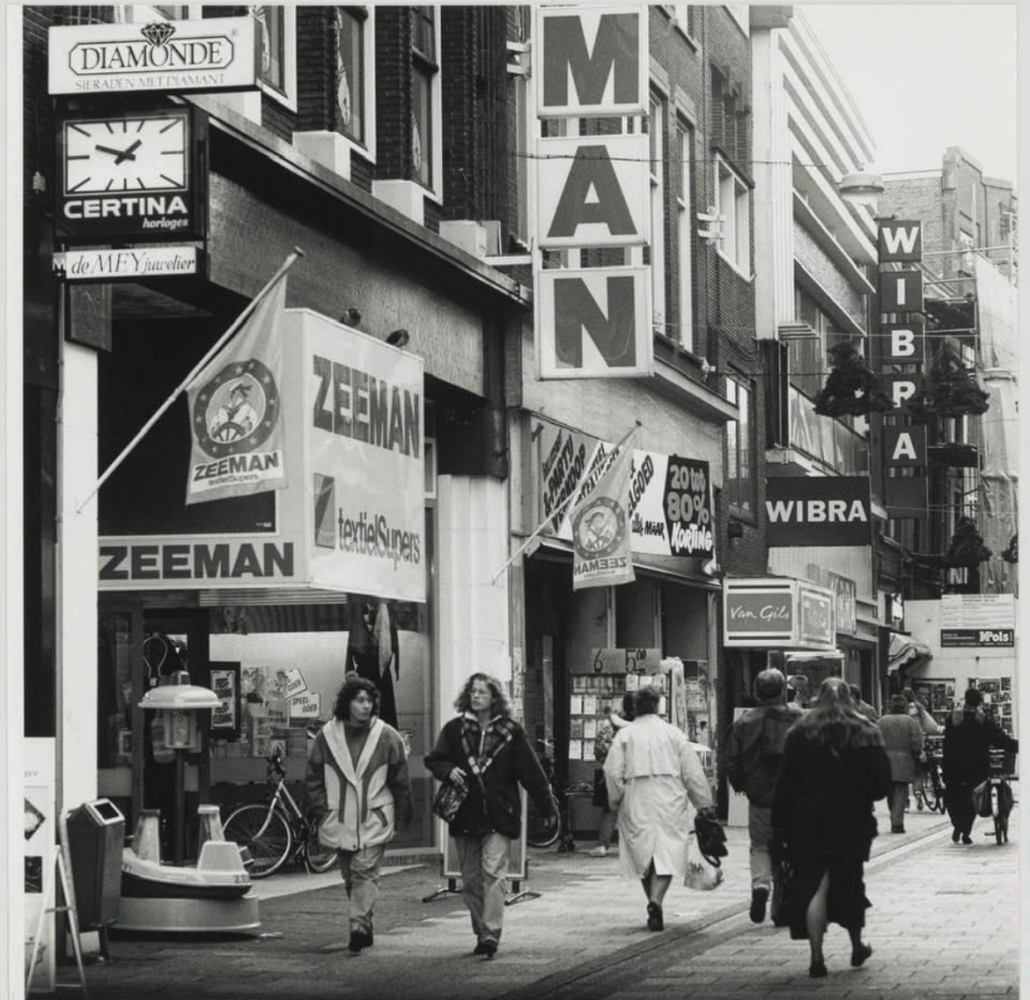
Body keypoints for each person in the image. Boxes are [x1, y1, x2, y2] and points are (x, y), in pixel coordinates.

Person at [424, 673, 556, 958]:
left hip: (500, 815)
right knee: (470, 880)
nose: (476, 696)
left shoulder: (511, 732)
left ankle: (491, 934)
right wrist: (447, 770)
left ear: (494, 697)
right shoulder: (454, 729)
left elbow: (532, 774)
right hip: (464, 815)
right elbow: (433, 759)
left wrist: (548, 809)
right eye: (472, 691)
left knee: (493, 874)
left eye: (482, 692)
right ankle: (481, 929)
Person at [771, 677, 890, 979]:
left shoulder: (799, 732)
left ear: (817, 698)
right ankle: (856, 946)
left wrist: (780, 824)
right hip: (852, 822)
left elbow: (785, 784)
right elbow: (880, 785)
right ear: (850, 698)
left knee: (815, 885)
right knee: (851, 883)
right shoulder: (866, 730)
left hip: (808, 821)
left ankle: (816, 958)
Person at [305, 673, 413, 954]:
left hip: (374, 817)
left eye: (370, 700)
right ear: (347, 703)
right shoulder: (327, 736)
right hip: (338, 818)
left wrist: (403, 814)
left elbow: (401, 779)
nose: (366, 705)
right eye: (360, 700)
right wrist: (319, 809)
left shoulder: (387, 736)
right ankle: (364, 919)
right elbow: (314, 775)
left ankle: (358, 926)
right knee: (350, 876)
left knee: (363, 870)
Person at [603, 684, 714, 933]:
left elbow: (611, 771)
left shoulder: (626, 735)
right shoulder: (673, 734)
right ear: (658, 705)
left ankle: (652, 901)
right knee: (668, 851)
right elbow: (692, 772)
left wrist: (615, 799)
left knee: (641, 852)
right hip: (669, 797)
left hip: (636, 797)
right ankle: (656, 900)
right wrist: (703, 803)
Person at [725, 668, 802, 925]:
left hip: (760, 798)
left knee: (760, 846)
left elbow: (732, 762)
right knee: (790, 849)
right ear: (783, 691)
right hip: (793, 799)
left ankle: (761, 886)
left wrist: (743, 786)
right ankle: (783, 905)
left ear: (756, 692)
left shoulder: (744, 723)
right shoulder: (797, 718)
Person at [942, 686, 1019, 844]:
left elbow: (946, 742)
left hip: (953, 767)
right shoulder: (983, 721)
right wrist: (1016, 746)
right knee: (973, 797)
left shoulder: (952, 719)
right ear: (979, 702)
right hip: (976, 767)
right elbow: (1000, 739)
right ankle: (965, 830)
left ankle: (958, 825)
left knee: (954, 796)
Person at [588, 693, 635, 857]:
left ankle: (603, 845)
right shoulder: (644, 728)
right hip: (637, 775)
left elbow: (599, 750)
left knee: (610, 810)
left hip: (614, 772)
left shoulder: (611, 725)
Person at [878, 694, 924, 833]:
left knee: (890, 792)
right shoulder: (910, 722)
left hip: (885, 761)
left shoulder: (881, 721)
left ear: (890, 705)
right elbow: (916, 743)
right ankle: (897, 823)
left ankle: (895, 817)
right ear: (904, 706)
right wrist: (915, 755)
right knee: (900, 792)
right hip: (904, 760)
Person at [902, 687, 938, 810]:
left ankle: (905, 803)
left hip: (904, 746)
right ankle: (917, 792)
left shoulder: (901, 710)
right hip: (918, 744)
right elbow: (932, 726)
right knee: (919, 770)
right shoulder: (920, 709)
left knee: (904, 774)